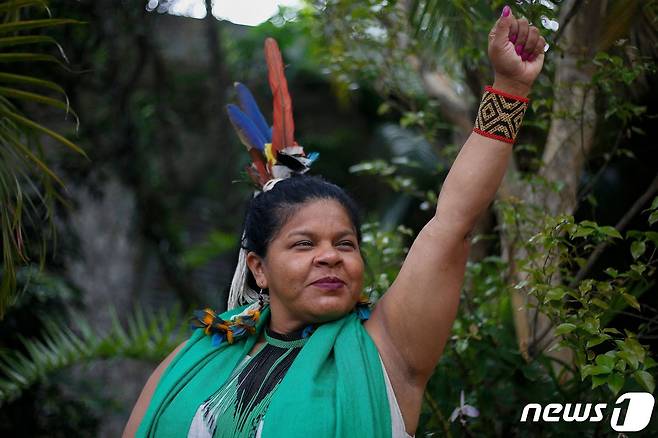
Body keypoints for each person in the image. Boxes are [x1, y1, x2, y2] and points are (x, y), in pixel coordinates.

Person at [123, 5, 547, 437]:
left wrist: (509, 90)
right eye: (304, 244)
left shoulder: (389, 348)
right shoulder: (193, 360)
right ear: (259, 268)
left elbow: (453, 223)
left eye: (345, 244)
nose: (330, 257)